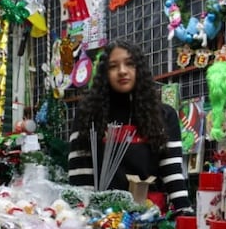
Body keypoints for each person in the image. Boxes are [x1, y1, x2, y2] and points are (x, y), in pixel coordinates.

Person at [68, 40, 192, 212]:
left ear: (139, 70)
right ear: (104, 74)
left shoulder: (163, 115)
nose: (122, 71)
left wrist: (183, 212)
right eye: (113, 66)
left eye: (129, 64)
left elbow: (172, 173)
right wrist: (83, 219)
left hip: (149, 219)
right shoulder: (88, 115)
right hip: (102, 219)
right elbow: (80, 178)